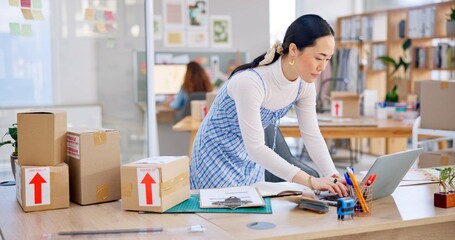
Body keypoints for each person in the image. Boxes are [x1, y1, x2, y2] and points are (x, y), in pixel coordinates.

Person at [190, 14, 348, 197]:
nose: (322, 67)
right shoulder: (250, 82)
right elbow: (257, 148)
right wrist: (311, 181)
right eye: (319, 58)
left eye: (328, 59)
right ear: (294, 50)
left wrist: (333, 176)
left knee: (248, 218)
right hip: (215, 155)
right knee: (223, 218)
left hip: (249, 158)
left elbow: (312, 135)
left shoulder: (304, 85)